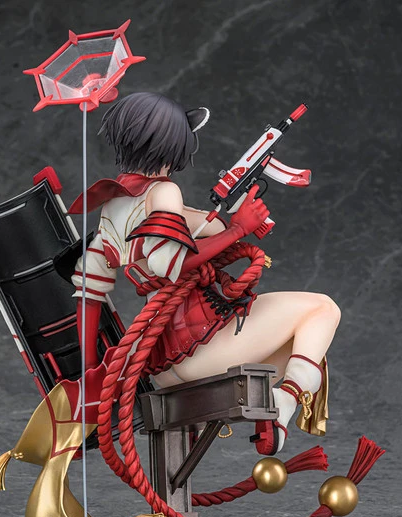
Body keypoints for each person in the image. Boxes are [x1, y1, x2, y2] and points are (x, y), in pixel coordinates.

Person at [69, 92, 341, 455]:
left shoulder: (113, 203)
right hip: (197, 347)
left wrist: (88, 371)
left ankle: (283, 402)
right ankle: (285, 404)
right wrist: (238, 229)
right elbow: (169, 264)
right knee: (322, 310)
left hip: (160, 361)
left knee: (298, 343)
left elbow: (89, 289)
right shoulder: (164, 192)